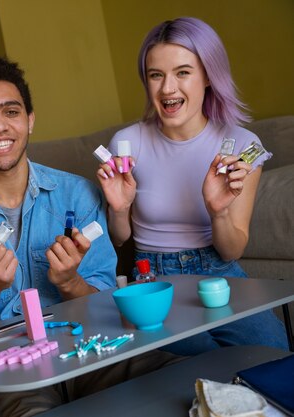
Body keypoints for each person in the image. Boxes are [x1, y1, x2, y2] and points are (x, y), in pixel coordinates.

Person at [0, 57, 179, 417]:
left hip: (87, 351)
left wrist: (70, 281)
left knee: (175, 376)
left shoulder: (78, 195)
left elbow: (106, 306)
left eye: (11, 112)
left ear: (30, 120)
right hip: (5, 371)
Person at [98, 17, 288, 356]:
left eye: (183, 72)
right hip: (152, 278)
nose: (168, 88)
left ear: (209, 78)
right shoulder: (127, 143)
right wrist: (119, 208)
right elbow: (120, 238)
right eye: (156, 75)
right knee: (194, 366)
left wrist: (217, 211)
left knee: (273, 354)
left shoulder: (242, 144)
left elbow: (231, 250)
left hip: (220, 272)